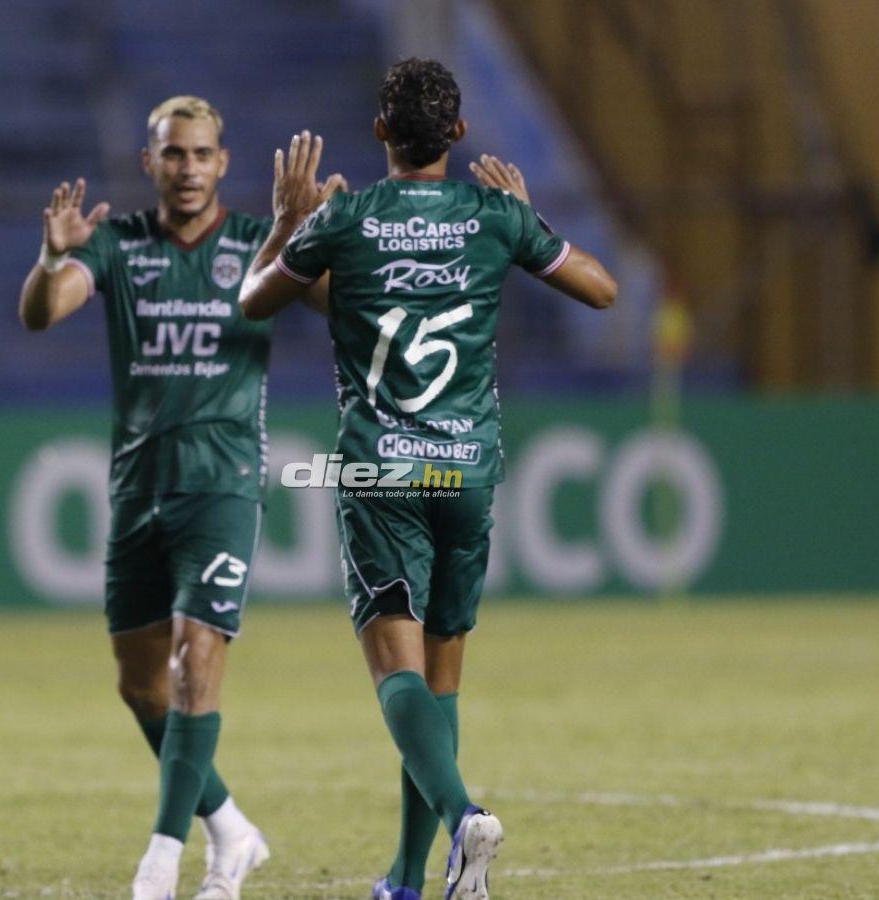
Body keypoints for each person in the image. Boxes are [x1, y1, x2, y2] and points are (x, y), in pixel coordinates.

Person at [239, 59, 616, 900]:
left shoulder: (348, 219)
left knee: (395, 674)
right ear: (457, 134)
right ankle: (409, 880)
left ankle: (462, 820)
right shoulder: (493, 217)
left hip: (382, 469)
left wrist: (285, 223)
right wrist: (526, 220)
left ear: (380, 133)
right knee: (442, 680)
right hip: (467, 468)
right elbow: (601, 287)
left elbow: (256, 301)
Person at [18, 95, 334, 900]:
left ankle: (164, 858)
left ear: (223, 163)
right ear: (149, 163)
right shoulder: (120, 245)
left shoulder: (252, 246)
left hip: (222, 482)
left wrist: (309, 238)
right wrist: (53, 260)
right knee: (139, 683)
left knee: (198, 656)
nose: (188, 168)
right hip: (137, 487)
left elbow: (333, 301)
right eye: (173, 154)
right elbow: (43, 313)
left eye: (201, 154)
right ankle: (231, 830)